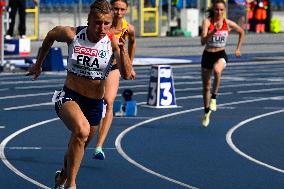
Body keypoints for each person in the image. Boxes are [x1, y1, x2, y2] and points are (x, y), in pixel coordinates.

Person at [26, 0, 133, 188]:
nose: (102, 27)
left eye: (106, 23)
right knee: (81, 131)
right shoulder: (72, 34)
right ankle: (72, 184)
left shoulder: (112, 41)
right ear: (89, 20)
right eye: (97, 22)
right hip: (69, 97)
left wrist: (123, 50)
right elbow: (51, 35)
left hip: (94, 104)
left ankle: (62, 178)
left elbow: (125, 74)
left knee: (79, 144)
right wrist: (39, 63)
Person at [93, 0, 136, 160]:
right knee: (93, 101)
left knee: (109, 102)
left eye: (122, 9)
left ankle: (99, 146)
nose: (118, 12)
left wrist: (129, 65)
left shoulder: (128, 28)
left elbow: (133, 42)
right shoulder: (103, 25)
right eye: (116, 9)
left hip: (114, 67)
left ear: (126, 11)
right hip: (96, 66)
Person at [200, 0, 245, 127]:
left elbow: (242, 32)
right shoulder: (207, 22)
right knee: (206, 87)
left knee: (217, 70)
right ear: (213, 10)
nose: (219, 12)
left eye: (221, 10)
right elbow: (202, 41)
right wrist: (212, 32)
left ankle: (214, 97)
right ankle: (206, 112)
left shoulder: (228, 23)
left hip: (220, 54)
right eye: (216, 10)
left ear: (224, 11)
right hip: (208, 54)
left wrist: (238, 48)